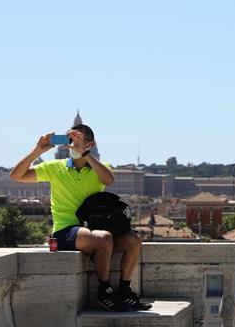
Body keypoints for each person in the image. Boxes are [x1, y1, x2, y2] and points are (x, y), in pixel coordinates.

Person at [10, 124, 143, 312]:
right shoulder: (55, 168)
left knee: (134, 240)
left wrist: (85, 153)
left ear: (90, 143)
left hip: (93, 227)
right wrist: (37, 150)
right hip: (65, 230)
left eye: (77, 140)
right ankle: (104, 290)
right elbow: (16, 176)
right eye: (70, 140)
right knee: (103, 238)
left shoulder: (99, 168)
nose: (72, 145)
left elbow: (108, 179)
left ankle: (124, 290)